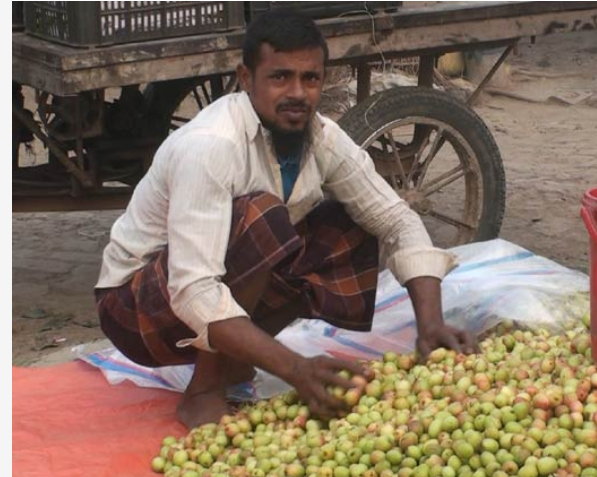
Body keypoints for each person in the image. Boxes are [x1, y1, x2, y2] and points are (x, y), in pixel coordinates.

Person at [94, 12, 478, 429]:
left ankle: (235, 364)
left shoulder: (323, 137)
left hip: (198, 300)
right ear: (246, 78)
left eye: (310, 79)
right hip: (136, 306)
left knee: (343, 228)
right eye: (280, 78)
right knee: (262, 215)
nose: (297, 93)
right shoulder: (212, 146)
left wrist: (430, 325)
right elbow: (194, 290)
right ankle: (203, 391)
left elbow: (395, 220)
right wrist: (296, 368)